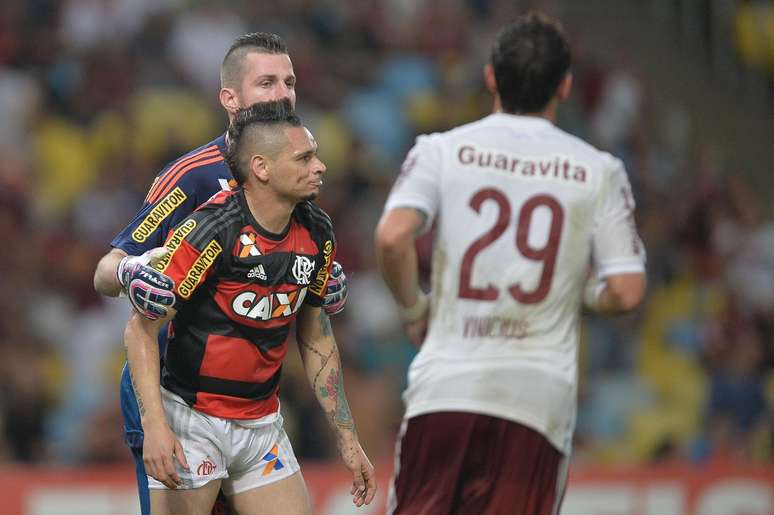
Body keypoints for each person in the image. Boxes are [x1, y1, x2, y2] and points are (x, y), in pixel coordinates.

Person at [375, 12, 647, 515]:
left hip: (446, 389)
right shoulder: (599, 170)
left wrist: (415, 309)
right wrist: (581, 292)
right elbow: (626, 291)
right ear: (565, 87)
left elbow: (393, 237)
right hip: (536, 400)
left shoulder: (442, 150)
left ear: (490, 77)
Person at [92, 33, 348, 515]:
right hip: (174, 392)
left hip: (250, 401)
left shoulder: (293, 161)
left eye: (289, 82)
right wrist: (132, 270)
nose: (282, 94)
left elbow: (278, 253)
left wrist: (317, 275)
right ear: (230, 99)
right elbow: (106, 269)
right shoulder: (192, 175)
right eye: (266, 82)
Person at [124, 99, 376, 515]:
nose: (320, 166)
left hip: (261, 424)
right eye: (305, 157)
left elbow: (316, 334)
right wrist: (155, 426)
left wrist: (347, 436)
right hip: (193, 419)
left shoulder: (317, 230)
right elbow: (140, 329)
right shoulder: (211, 229)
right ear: (262, 167)